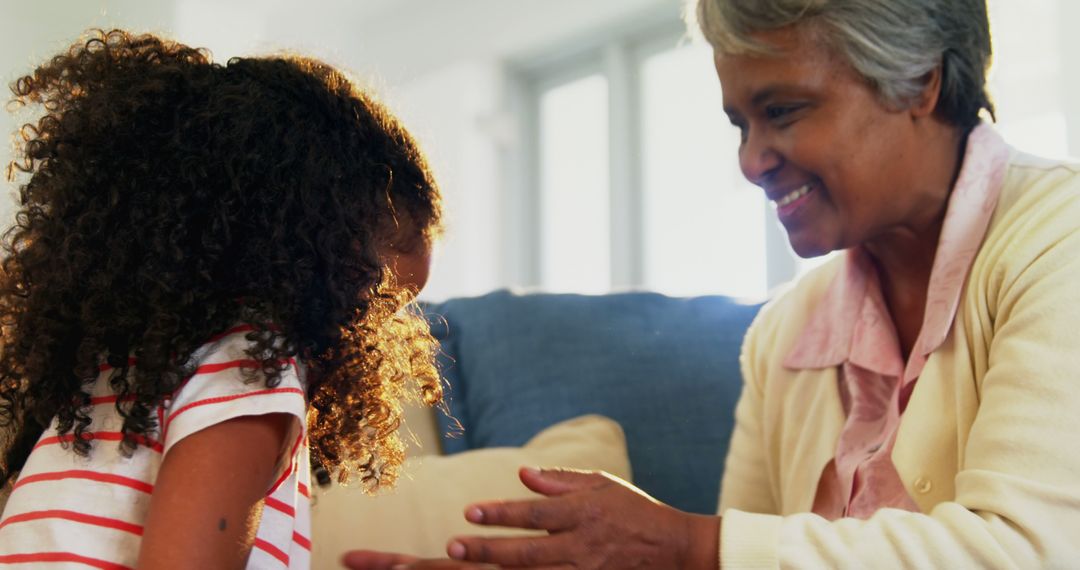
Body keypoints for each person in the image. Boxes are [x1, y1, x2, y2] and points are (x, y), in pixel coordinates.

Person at [345, 0, 1080, 567]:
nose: (752, 160)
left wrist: (692, 548)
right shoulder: (785, 336)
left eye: (782, 112)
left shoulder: (1058, 241)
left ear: (920, 82)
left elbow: (1031, 551)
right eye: (739, 125)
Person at [0, 29, 444, 568]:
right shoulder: (253, 374)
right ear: (299, 253)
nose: (370, 341)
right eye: (369, 305)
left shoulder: (119, 378)